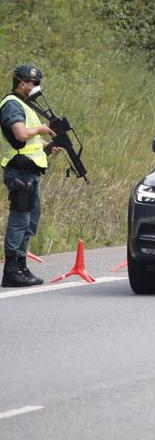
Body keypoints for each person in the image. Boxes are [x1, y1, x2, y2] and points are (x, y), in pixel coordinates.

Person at [2, 64, 56, 288]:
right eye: (33, 83)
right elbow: (21, 134)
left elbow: (30, 143)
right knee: (19, 221)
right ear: (22, 83)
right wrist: (42, 130)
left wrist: (47, 148)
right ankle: (11, 270)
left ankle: (22, 267)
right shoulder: (11, 104)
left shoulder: (26, 106)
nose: (36, 87)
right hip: (19, 171)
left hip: (30, 172)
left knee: (30, 221)